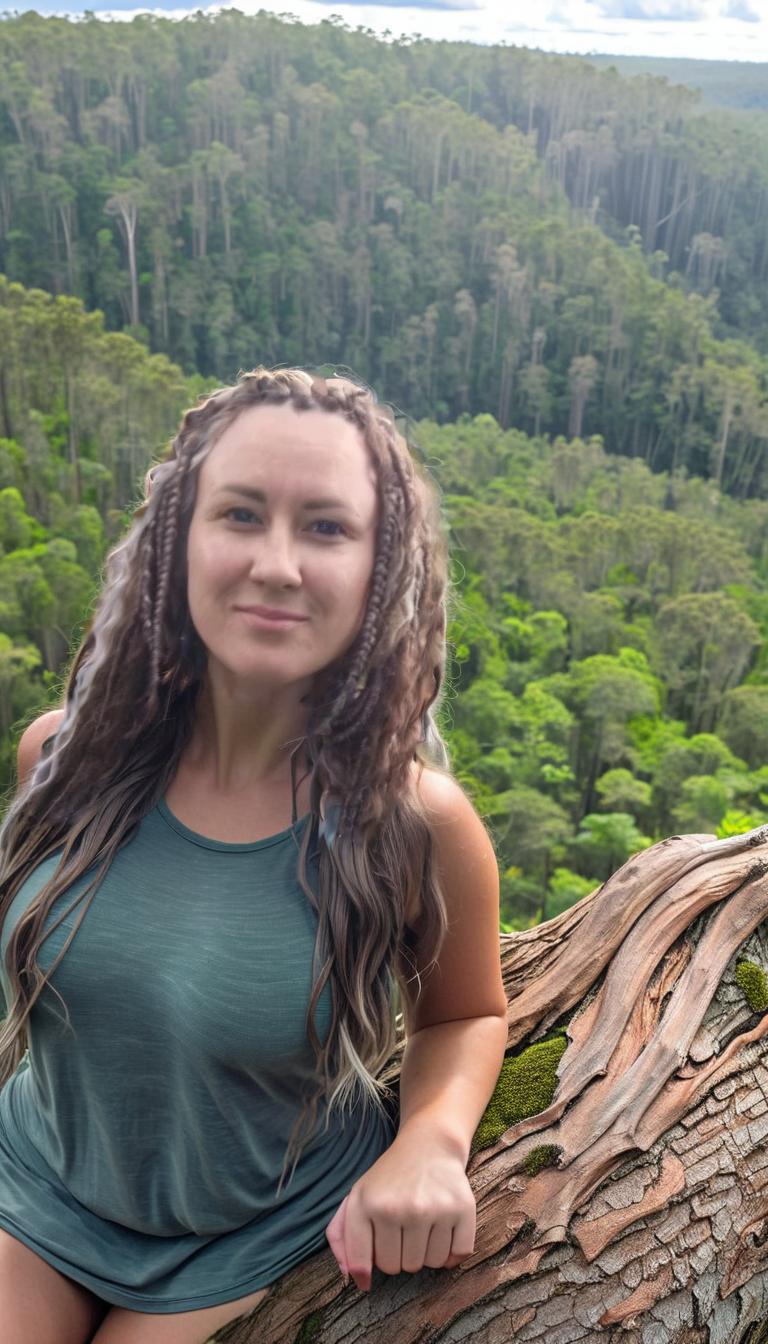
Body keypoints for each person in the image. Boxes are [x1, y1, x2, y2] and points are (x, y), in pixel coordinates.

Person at [0, 367, 508, 1344]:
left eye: (325, 527)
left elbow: (468, 1012)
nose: (277, 564)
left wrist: (431, 1144)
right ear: (176, 542)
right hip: (42, 1182)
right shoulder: (61, 762)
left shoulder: (411, 826)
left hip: (254, 1228)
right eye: (240, 514)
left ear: (379, 564)